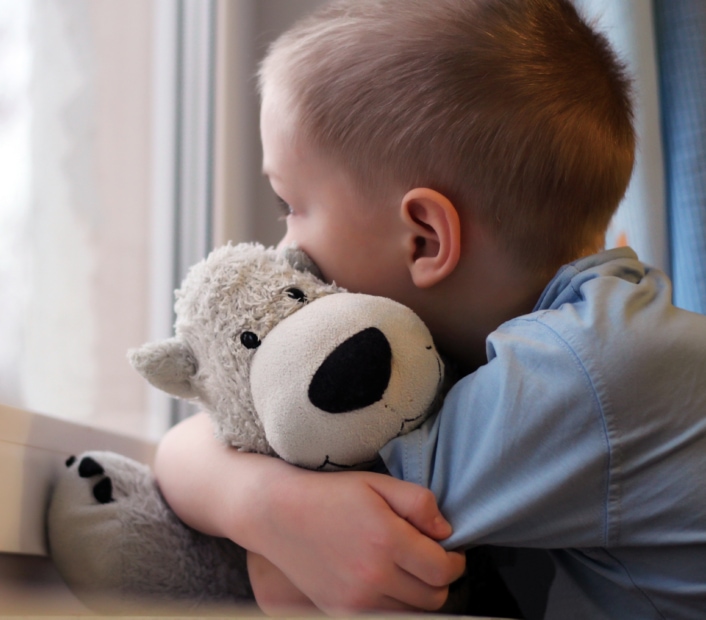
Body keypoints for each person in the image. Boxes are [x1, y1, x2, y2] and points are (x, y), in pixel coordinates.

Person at [154, 0, 706, 617]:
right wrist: (261, 503)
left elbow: (296, 568)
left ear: (424, 239)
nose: (285, 252)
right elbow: (185, 456)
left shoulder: (578, 374)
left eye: (291, 206)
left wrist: (263, 509)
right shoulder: (587, 333)